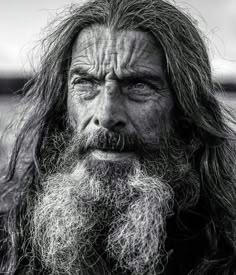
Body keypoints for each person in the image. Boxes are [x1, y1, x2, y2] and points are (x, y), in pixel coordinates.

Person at [0, 0, 235, 274]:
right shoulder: (10, 245)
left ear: (186, 113)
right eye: (86, 83)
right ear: (61, 109)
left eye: (138, 85)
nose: (107, 114)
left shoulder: (225, 249)